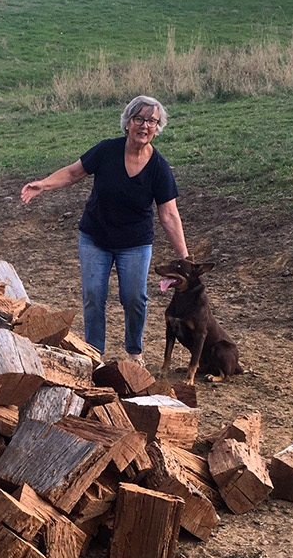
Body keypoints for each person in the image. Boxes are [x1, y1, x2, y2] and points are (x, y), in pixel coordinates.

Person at [20, 94, 189, 359]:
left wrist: (185, 258)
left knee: (134, 298)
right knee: (94, 297)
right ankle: (93, 355)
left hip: (135, 243)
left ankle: (134, 353)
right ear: (128, 122)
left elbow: (168, 215)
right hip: (95, 238)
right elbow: (74, 173)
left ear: (157, 128)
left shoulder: (159, 168)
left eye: (152, 122)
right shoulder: (107, 150)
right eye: (139, 119)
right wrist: (43, 184)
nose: (145, 126)